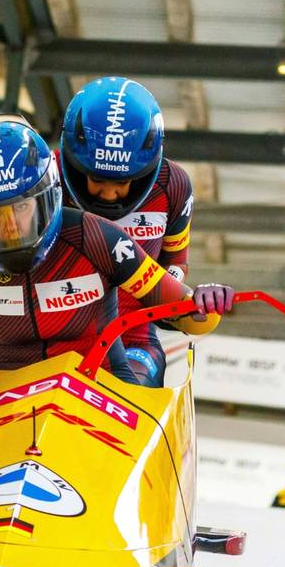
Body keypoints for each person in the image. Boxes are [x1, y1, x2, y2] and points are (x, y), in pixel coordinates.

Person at [0, 114, 235, 393]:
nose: (11, 227)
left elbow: (188, 316)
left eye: (22, 207)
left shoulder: (96, 238)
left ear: (46, 195)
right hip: (8, 387)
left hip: (100, 385)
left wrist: (204, 304)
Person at [57, 77, 193, 387]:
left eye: (121, 183)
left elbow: (176, 261)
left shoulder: (173, 186)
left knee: (130, 386)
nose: (108, 195)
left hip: (133, 339)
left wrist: (173, 298)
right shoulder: (43, 179)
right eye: (96, 179)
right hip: (54, 339)